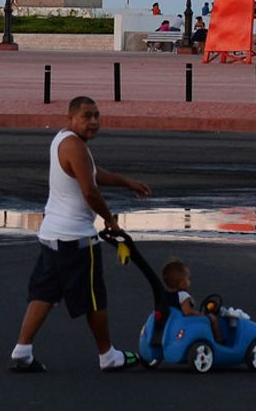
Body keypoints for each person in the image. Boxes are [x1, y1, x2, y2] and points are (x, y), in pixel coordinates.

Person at [10, 96, 151, 373]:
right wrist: (110, 221)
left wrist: (126, 182)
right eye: (87, 116)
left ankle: (22, 350)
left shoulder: (63, 140)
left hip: (52, 235)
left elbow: (92, 174)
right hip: (76, 239)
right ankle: (108, 355)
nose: (94, 121)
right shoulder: (74, 146)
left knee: (45, 292)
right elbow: (90, 191)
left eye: (97, 116)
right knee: (94, 298)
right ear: (70, 118)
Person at [160, 259, 224, 343]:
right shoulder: (183, 295)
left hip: (171, 322)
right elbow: (187, 312)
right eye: (188, 279)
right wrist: (201, 314)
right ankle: (218, 340)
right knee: (212, 318)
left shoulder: (165, 294)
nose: (189, 281)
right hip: (184, 322)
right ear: (182, 283)